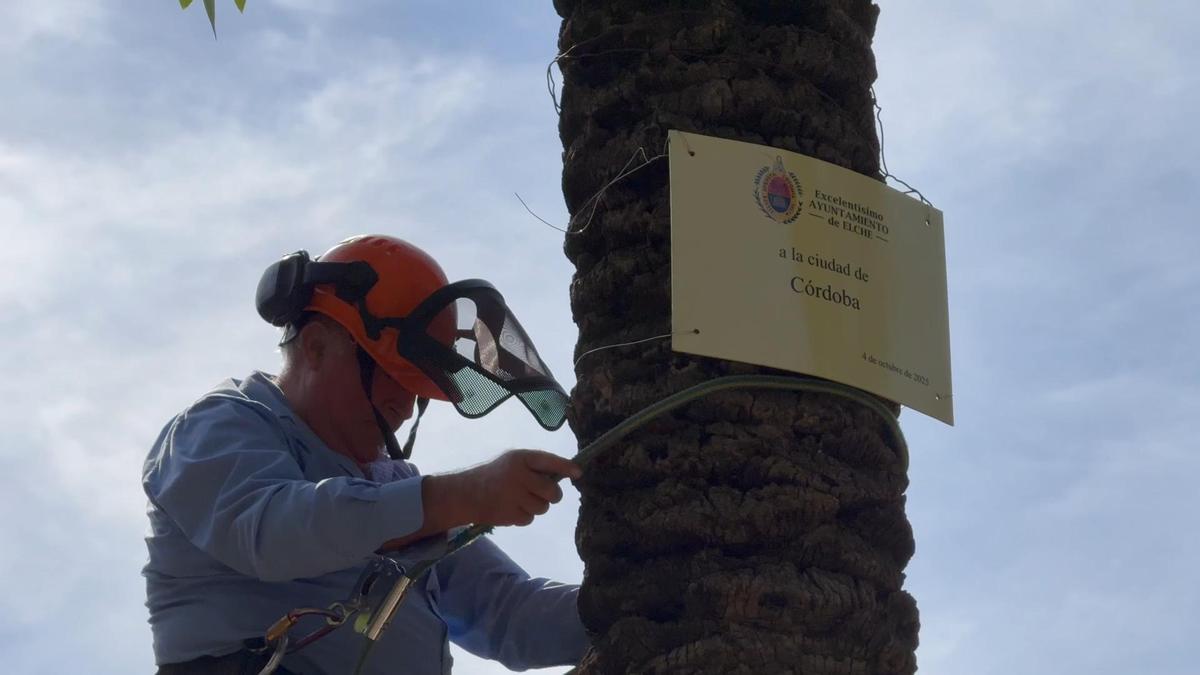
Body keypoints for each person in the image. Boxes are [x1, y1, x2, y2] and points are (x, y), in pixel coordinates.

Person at [142, 235, 588, 674]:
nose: (405, 405)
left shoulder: (394, 490)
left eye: (418, 389)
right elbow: (274, 532)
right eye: (394, 377)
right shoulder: (218, 426)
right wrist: (462, 494)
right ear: (316, 348)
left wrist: (637, 606)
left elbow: (510, 613)